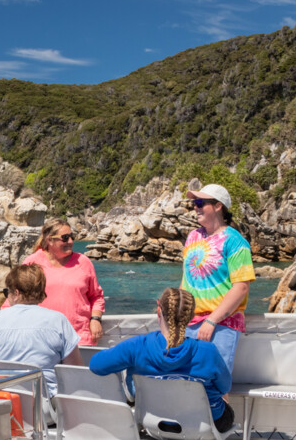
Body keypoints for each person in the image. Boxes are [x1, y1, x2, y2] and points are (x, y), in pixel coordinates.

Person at [89, 288, 234, 433]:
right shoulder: (208, 351)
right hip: (205, 424)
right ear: (191, 316)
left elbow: (96, 365)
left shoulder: (137, 346)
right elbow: (225, 387)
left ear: (159, 311)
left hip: (154, 422)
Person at [181, 183, 255, 374]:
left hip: (221, 324)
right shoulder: (192, 237)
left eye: (200, 203)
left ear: (218, 206)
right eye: (194, 203)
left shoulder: (235, 241)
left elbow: (241, 287)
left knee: (213, 381)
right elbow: (186, 280)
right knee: (187, 380)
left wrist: (212, 321)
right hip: (189, 322)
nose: (195, 207)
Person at [2, 218, 105, 345]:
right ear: (49, 240)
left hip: (79, 338)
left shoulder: (84, 262)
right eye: (65, 238)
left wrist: (96, 319)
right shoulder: (33, 262)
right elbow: (15, 294)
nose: (70, 241)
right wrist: (1, 319)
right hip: (41, 339)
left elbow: (96, 296)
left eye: (72, 236)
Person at [0, 264, 82, 395]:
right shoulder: (58, 320)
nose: (7, 297)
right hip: (43, 400)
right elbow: (75, 371)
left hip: (5, 396)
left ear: (16, 293)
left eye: (6, 292)